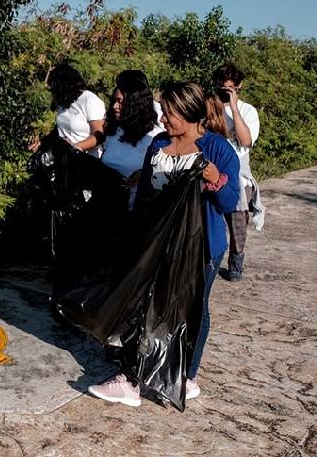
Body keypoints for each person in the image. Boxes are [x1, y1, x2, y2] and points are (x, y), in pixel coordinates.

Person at [87, 82, 240, 406]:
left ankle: (186, 375)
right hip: (156, 242)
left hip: (201, 247)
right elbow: (145, 190)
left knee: (190, 310)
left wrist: (215, 179)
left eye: (169, 112)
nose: (163, 118)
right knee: (143, 305)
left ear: (187, 113)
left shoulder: (216, 149)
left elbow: (229, 202)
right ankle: (130, 379)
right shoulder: (158, 144)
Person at [212, 63, 262, 282]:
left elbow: (246, 140)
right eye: (222, 88)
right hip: (211, 170)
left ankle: (235, 262)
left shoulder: (248, 111)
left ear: (239, 86)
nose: (225, 92)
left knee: (238, 223)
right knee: (209, 219)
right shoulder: (209, 107)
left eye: (230, 88)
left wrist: (233, 107)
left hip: (239, 176)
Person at [101, 71, 164, 208]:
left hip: (135, 212)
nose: (114, 107)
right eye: (114, 101)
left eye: (120, 102)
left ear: (135, 104)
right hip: (107, 206)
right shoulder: (115, 131)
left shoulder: (154, 138)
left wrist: (144, 174)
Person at [48, 64, 106, 156]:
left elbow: (99, 136)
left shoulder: (90, 100)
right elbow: (62, 129)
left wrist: (74, 148)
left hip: (86, 160)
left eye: (54, 89)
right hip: (65, 159)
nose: (53, 93)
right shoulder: (63, 101)